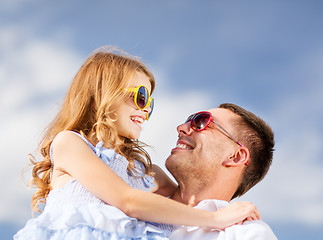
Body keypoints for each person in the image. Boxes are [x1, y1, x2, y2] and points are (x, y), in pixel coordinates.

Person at [14, 48, 261, 240]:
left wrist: (228, 211)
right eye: (140, 97)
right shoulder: (70, 144)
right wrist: (215, 219)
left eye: (149, 104)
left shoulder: (144, 172)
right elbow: (128, 200)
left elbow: (184, 199)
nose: (144, 110)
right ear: (102, 95)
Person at [161, 103, 277, 239]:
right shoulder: (138, 189)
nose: (181, 128)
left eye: (202, 121)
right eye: (188, 120)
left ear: (235, 156)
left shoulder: (247, 235)